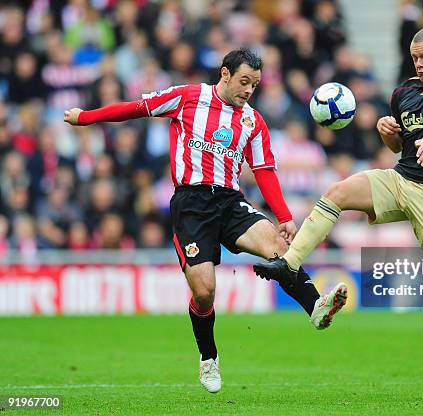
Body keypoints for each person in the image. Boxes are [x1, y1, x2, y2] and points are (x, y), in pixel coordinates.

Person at [64, 48, 348, 394]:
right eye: (244, 82)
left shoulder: (252, 121)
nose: (248, 91)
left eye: (255, 85)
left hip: (230, 201)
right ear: (224, 74)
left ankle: (315, 309)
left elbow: (264, 170)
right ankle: (208, 358)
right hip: (191, 204)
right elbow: (135, 109)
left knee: (277, 244)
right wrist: (86, 117)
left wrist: (285, 216)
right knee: (204, 292)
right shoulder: (187, 97)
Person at [254, 26, 423, 393]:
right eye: (414, 58)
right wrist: (387, 132)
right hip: (402, 179)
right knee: (338, 192)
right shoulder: (403, 93)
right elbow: (397, 150)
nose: (420, 64)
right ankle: (289, 263)